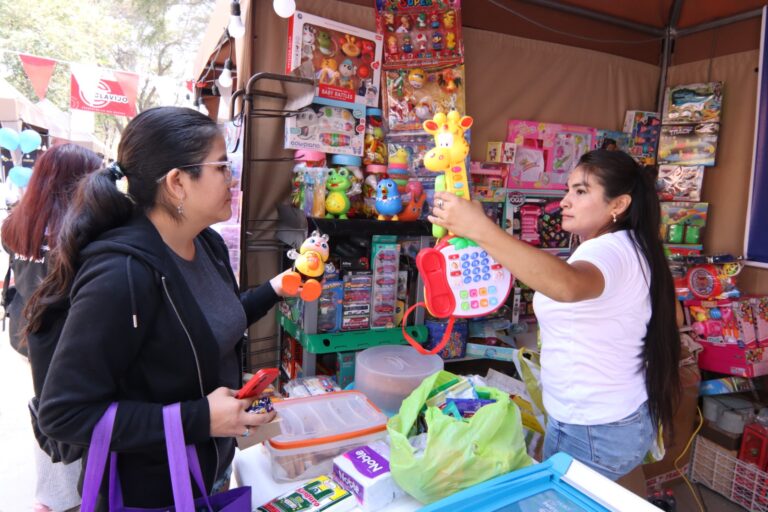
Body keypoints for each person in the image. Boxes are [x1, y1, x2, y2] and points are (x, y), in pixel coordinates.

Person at [26, 107, 292, 508]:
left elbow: (206, 323)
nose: (232, 178)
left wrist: (274, 289)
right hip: (151, 492)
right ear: (177, 182)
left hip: (212, 469)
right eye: (222, 167)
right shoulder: (122, 274)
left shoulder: (207, 244)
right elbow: (64, 414)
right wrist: (201, 418)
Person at [429, 149, 680, 481]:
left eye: (581, 191)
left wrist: (479, 228)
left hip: (593, 430)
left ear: (618, 204)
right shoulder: (632, 245)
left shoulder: (609, 250)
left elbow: (567, 285)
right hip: (615, 421)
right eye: (567, 189)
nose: (564, 201)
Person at [2, 143, 103, 512]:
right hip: (66, 341)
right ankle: (59, 498)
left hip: (30, 333)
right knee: (66, 415)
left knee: (45, 405)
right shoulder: (78, 232)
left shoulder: (18, 222)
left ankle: (50, 496)